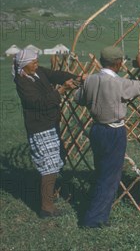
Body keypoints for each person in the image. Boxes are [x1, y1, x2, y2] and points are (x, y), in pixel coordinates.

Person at [75, 46, 140, 228]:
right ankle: (94, 220)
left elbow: (78, 99)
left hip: (96, 130)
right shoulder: (119, 83)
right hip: (113, 132)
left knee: (101, 171)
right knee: (109, 177)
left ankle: (95, 213)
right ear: (118, 64)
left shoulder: (91, 80)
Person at [13, 49, 80, 218]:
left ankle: (49, 198)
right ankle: (46, 208)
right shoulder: (22, 82)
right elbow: (39, 103)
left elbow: (56, 75)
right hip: (40, 127)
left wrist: (75, 77)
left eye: (37, 60)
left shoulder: (38, 71)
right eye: (33, 62)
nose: (36, 64)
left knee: (54, 161)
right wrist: (62, 90)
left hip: (50, 123)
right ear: (23, 65)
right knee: (48, 167)